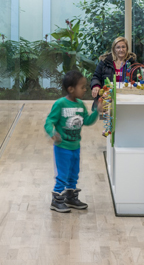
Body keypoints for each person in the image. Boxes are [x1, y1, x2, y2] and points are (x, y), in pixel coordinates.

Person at [44, 70, 102, 213]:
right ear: (71, 89)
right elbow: (49, 121)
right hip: (62, 147)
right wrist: (52, 132)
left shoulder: (81, 105)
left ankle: (70, 197)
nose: (84, 89)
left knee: (74, 173)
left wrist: (97, 111)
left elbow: (87, 121)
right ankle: (56, 200)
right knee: (62, 174)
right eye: (82, 87)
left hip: (75, 146)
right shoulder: (60, 104)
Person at [90, 36, 137, 109]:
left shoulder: (132, 64)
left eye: (123, 47)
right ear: (114, 49)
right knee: (101, 114)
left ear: (127, 49)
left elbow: (135, 81)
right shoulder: (105, 62)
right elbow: (96, 77)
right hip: (107, 96)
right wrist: (96, 86)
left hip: (126, 97)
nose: (121, 50)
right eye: (118, 47)